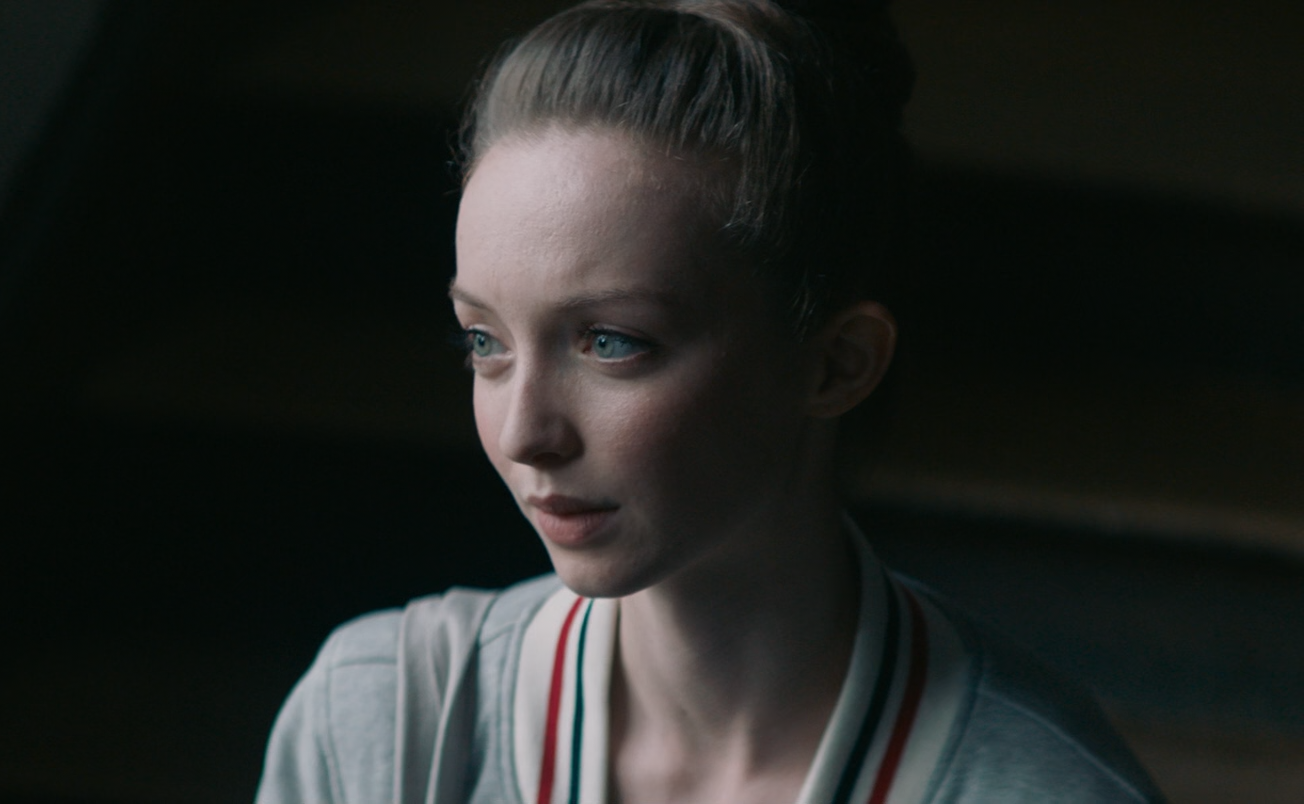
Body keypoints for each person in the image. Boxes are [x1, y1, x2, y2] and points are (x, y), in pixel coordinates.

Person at [256, 1, 1164, 802]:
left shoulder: (1046, 788)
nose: (526, 433)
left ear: (837, 364)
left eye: (612, 343)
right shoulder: (382, 727)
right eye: (484, 343)